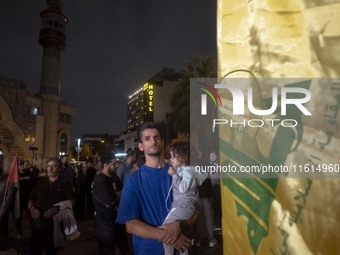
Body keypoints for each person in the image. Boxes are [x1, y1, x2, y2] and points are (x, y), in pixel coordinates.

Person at [116, 122, 192, 255]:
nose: (153, 141)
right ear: (141, 146)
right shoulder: (133, 180)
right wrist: (169, 237)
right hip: (150, 250)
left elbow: (195, 209)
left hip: (182, 247)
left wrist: (179, 226)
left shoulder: (180, 172)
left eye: (156, 137)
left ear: (162, 142)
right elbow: (131, 225)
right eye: (147, 138)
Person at [162, 141, 207, 255]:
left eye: (173, 156)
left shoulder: (188, 172)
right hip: (183, 205)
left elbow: (183, 188)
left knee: (165, 230)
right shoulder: (185, 170)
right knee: (182, 239)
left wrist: (174, 175)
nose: (170, 159)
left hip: (184, 205)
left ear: (183, 157)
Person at [28, 157, 75, 255]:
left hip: (55, 226)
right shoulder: (41, 182)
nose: (50, 169)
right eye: (49, 166)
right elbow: (31, 199)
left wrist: (55, 210)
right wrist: (32, 209)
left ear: (59, 168)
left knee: (51, 251)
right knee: (35, 251)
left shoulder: (65, 183)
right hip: (38, 224)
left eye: (54, 166)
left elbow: (71, 202)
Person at [92, 152, 129, 255]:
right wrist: (118, 195)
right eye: (114, 164)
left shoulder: (114, 177)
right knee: (107, 250)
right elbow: (109, 201)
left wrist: (116, 195)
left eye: (116, 163)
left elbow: (123, 192)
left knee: (124, 248)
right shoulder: (100, 180)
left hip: (117, 218)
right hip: (104, 222)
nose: (116, 165)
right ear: (105, 165)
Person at [15, 160, 37, 240]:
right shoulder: (16, 175)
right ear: (21, 166)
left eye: (28, 165)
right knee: (18, 217)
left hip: (28, 200)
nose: (28, 167)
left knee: (31, 216)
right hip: (18, 201)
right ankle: (19, 233)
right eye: (26, 165)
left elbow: (36, 178)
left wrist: (32, 171)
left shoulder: (29, 174)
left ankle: (34, 232)